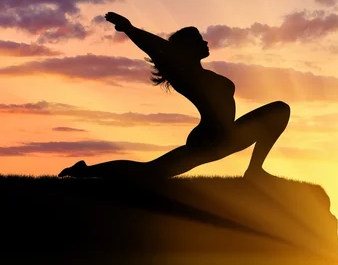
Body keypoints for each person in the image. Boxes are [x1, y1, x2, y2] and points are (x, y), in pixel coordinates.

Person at [59, 12, 290, 180]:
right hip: (208, 141)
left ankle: (254, 171)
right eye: (200, 40)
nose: (206, 41)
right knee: (149, 172)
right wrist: (130, 29)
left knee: (280, 109)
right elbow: (159, 48)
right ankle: (85, 171)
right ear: (187, 49)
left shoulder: (199, 73)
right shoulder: (187, 76)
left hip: (228, 134)